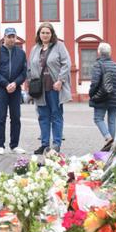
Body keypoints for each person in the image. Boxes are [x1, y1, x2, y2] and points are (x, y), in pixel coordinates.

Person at [27, 22, 71, 154]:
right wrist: (30, 83)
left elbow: (66, 64)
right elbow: (29, 68)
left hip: (54, 87)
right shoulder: (35, 49)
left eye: (47, 33)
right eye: (42, 33)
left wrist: (60, 80)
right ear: (39, 34)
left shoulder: (59, 46)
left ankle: (56, 144)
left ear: (52, 34)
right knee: (43, 116)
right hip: (40, 89)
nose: (45, 35)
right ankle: (44, 144)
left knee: (56, 115)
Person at [0, 27, 27, 155]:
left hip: (15, 88)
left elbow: (24, 72)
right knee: (1, 117)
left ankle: (14, 145)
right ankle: (0, 145)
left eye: (13, 37)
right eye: (9, 36)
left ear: (16, 38)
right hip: (0, 88)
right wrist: (6, 84)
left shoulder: (21, 53)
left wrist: (15, 83)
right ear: (4, 37)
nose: (11, 39)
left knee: (16, 117)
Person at [89, 42, 116, 149]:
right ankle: (111, 146)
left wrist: (91, 94)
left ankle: (108, 138)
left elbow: (94, 83)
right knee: (112, 120)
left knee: (98, 118)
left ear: (99, 52)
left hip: (102, 97)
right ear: (110, 53)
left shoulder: (98, 65)